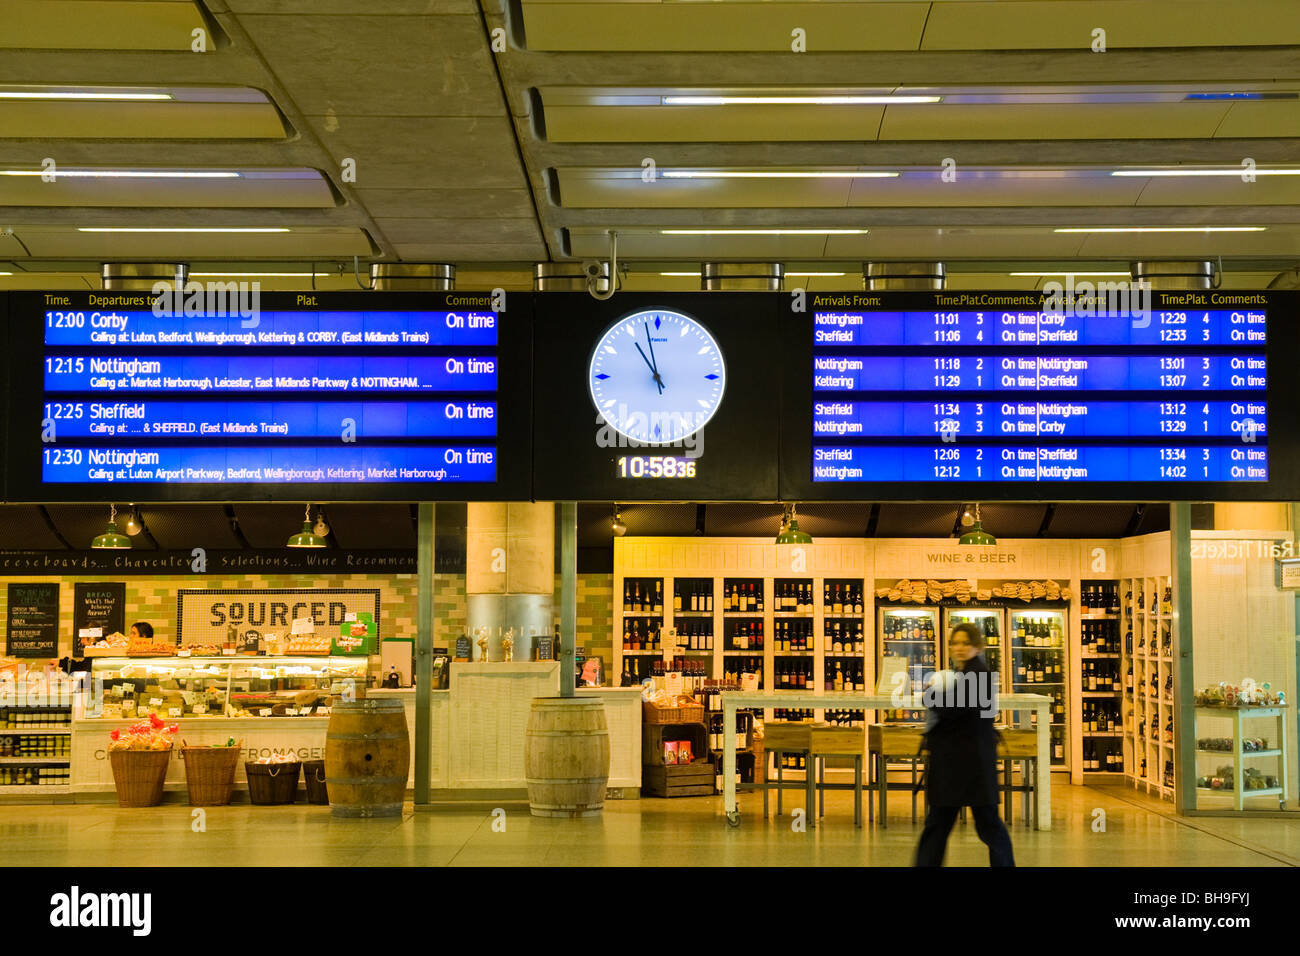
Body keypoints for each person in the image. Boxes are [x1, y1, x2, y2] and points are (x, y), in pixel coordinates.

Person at [914, 622, 1015, 867]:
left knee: (983, 825)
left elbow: (953, 707)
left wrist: (929, 695)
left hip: (968, 766)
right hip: (963, 765)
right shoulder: (966, 673)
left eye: (965, 643)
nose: (959, 648)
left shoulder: (978, 674)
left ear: (977, 646)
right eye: (955, 643)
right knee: (947, 824)